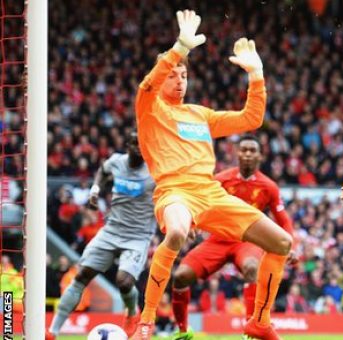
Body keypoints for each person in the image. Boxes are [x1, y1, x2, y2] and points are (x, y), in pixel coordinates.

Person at [131, 10, 291, 340]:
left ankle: (259, 321)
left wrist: (256, 75)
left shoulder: (200, 114)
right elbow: (148, 85)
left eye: (184, 75)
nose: (180, 80)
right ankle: (146, 321)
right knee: (176, 232)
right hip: (174, 191)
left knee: (281, 242)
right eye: (173, 75)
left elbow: (251, 119)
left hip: (212, 193)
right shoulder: (150, 108)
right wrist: (179, 48)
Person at [170, 135, 294, 340]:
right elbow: (199, 203)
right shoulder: (221, 179)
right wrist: (191, 223)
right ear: (237, 153)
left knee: (252, 267)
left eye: (252, 151)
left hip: (248, 242)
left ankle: (251, 330)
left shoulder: (269, 186)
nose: (247, 154)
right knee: (181, 275)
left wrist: (291, 246)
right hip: (218, 240)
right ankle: (183, 332)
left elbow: (284, 221)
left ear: (260, 156)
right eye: (243, 150)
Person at [47, 132, 155, 339]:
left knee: (124, 282)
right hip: (111, 230)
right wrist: (95, 190)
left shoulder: (154, 171)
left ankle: (132, 313)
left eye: (143, 144)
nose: (139, 148)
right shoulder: (116, 162)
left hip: (138, 236)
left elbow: (170, 192)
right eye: (135, 144)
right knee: (81, 276)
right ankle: (53, 332)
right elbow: (102, 172)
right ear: (128, 145)